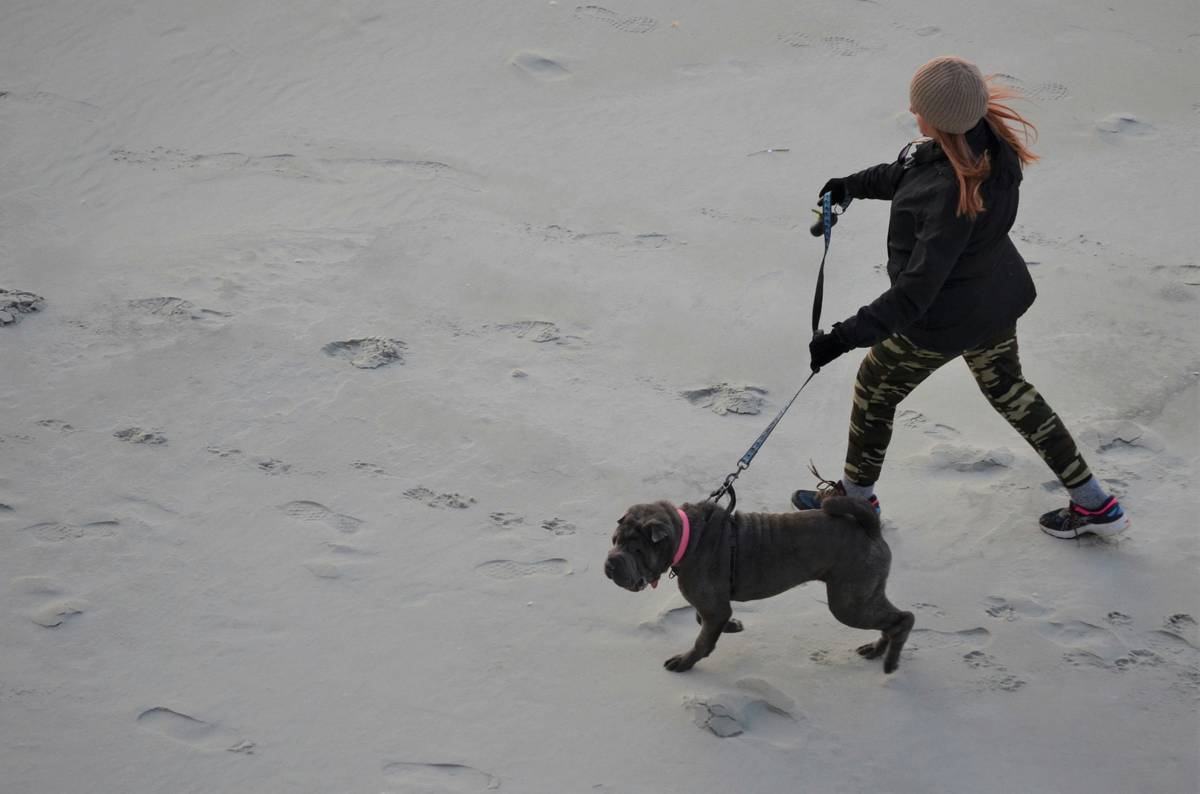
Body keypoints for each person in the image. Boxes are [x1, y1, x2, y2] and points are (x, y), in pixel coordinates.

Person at [791, 55, 1129, 540]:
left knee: (874, 386)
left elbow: (912, 296)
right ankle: (1095, 502)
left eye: (918, 105)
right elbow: (904, 172)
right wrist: (851, 187)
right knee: (1010, 391)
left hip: (942, 320)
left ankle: (856, 502)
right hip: (993, 298)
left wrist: (842, 338)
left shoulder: (951, 194)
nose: (912, 110)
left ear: (939, 117)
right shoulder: (980, 140)